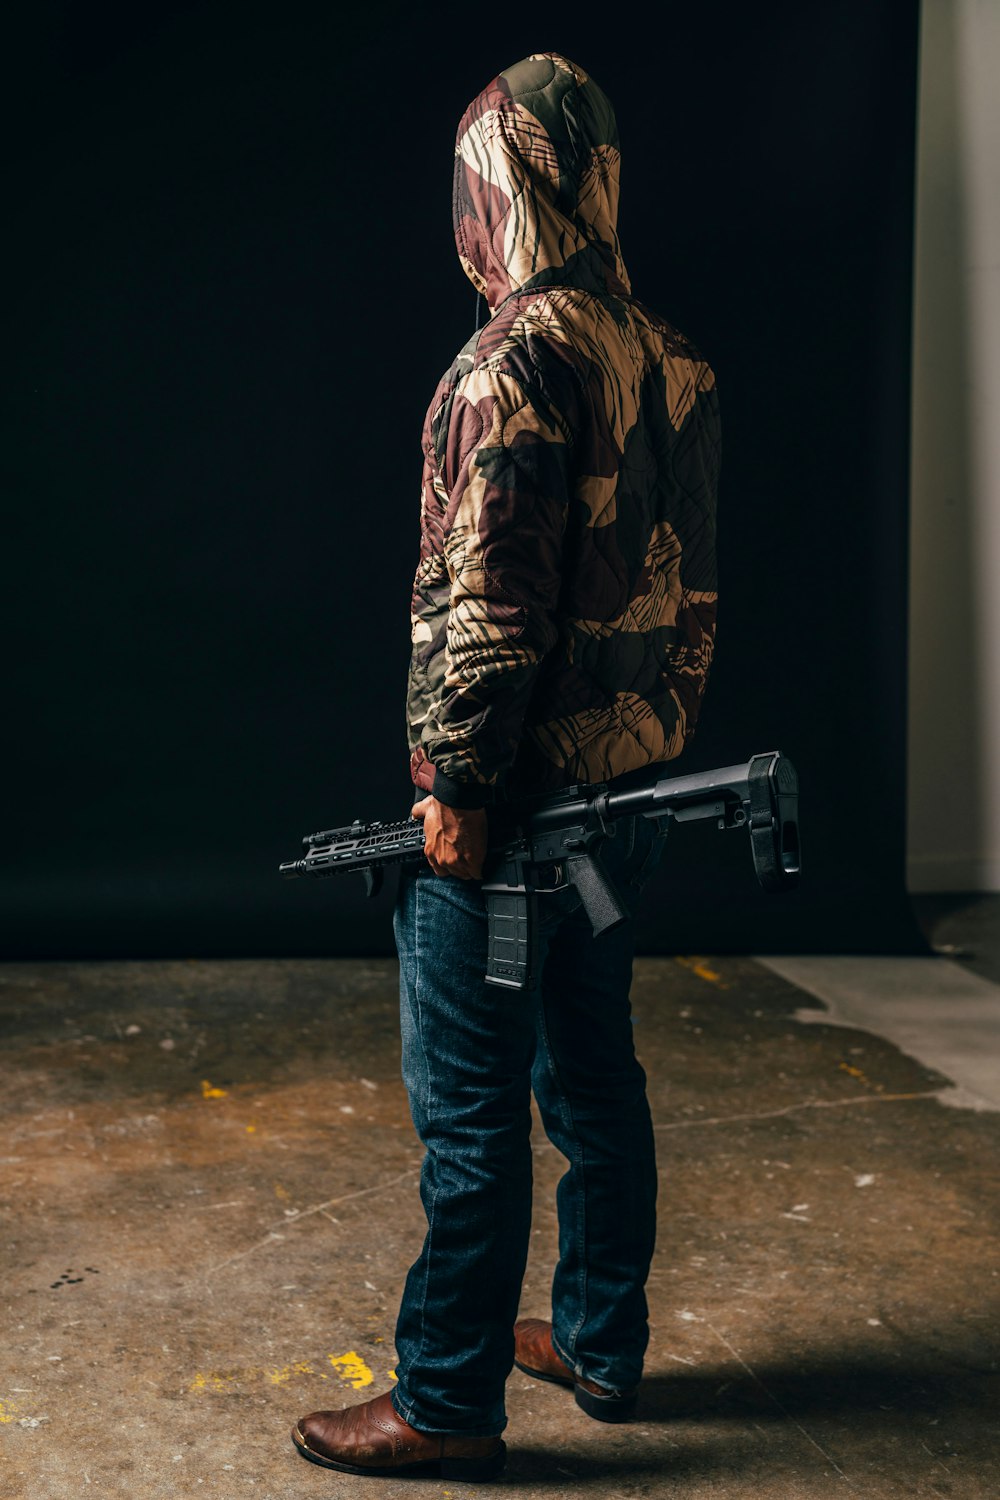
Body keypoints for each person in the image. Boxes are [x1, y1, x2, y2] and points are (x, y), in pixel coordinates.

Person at [292, 51, 720, 1480]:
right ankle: (600, 1342)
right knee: (595, 1073)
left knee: (470, 1105)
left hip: (513, 815)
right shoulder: (666, 355)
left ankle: (447, 1394)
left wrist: (454, 793)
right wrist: (651, 746)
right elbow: (693, 600)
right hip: (626, 799)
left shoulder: (509, 365)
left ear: (501, 189)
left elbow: (488, 609)